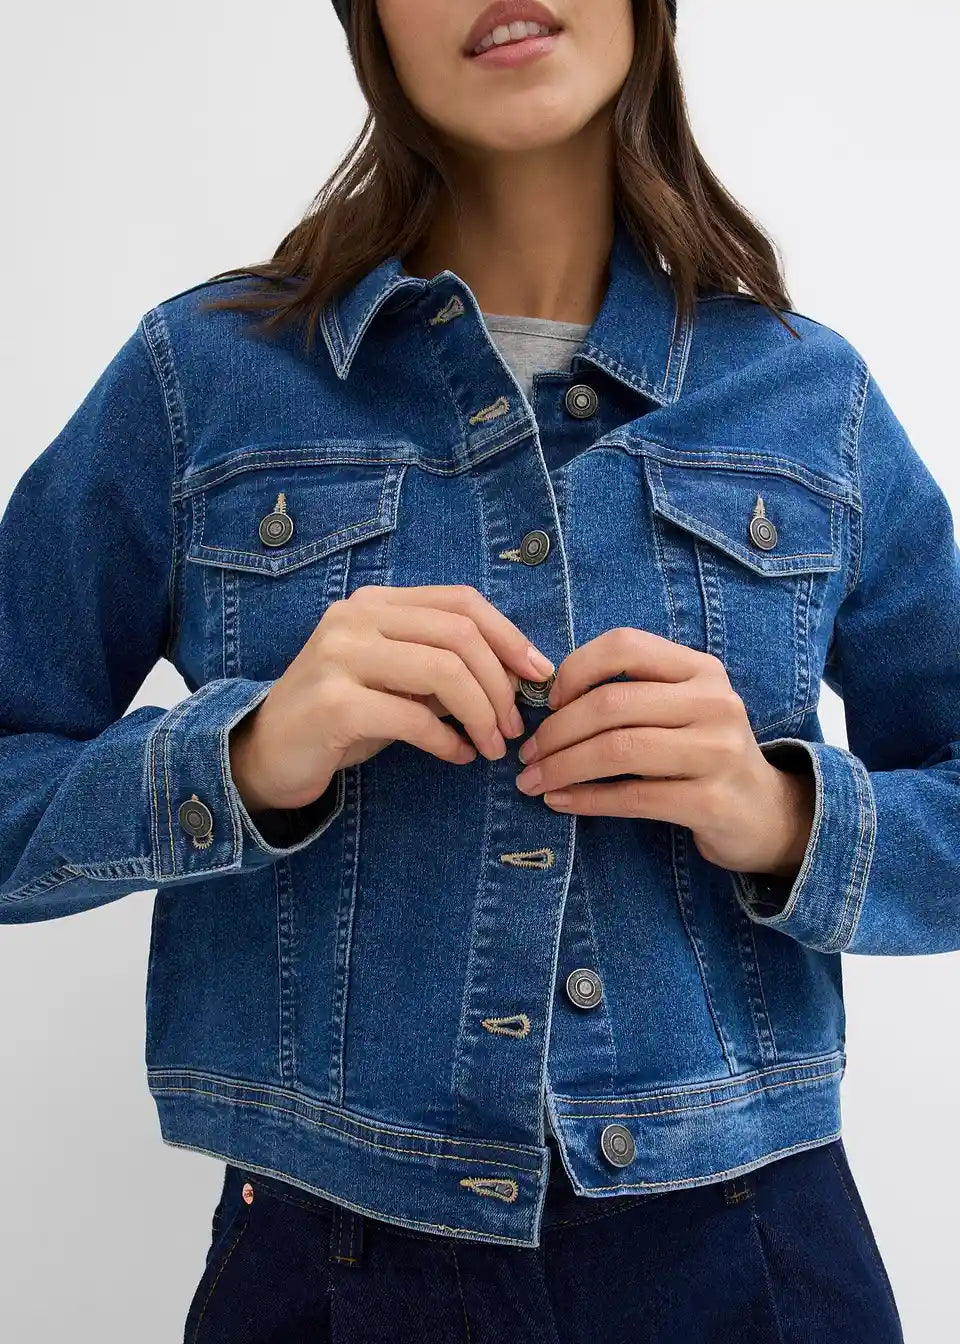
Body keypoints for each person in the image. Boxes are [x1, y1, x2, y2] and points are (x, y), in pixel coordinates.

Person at [4, 0, 957, 1338]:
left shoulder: (812, 399)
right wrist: (244, 759)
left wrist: (782, 812)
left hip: (754, 1262)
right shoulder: (202, 380)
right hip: (330, 1266)